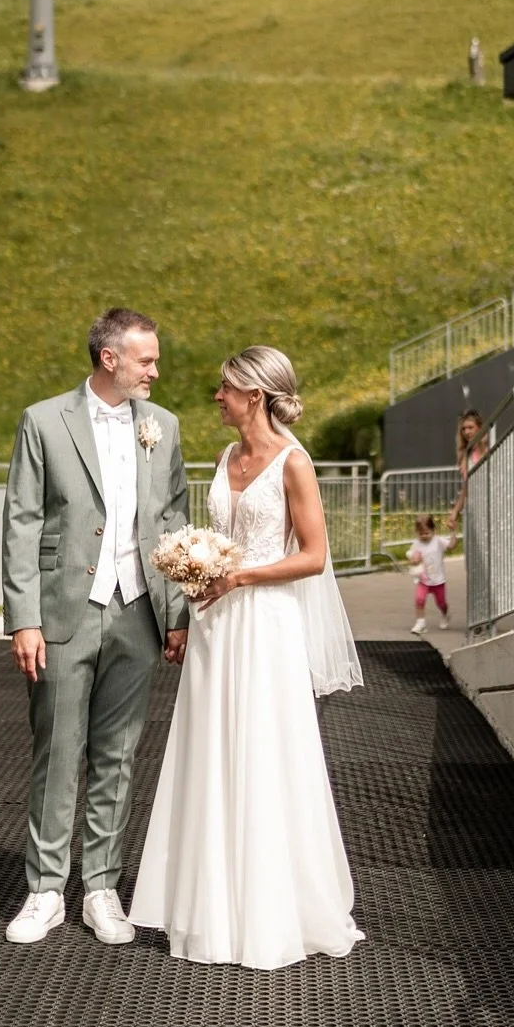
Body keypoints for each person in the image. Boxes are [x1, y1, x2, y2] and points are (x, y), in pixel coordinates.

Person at [129, 346, 364, 968]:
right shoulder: (226, 457)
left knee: (264, 753)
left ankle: (270, 915)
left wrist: (239, 577)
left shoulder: (295, 464)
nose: (217, 397)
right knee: (212, 753)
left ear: (254, 395)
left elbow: (313, 556)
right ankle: (212, 910)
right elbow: (219, 541)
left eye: (225, 388)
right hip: (216, 628)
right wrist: (197, 567)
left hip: (266, 626)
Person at [1, 307, 190, 947]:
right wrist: (23, 618)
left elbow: (172, 521)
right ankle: (44, 892)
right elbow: (22, 522)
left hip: (138, 611)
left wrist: (176, 614)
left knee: (118, 753)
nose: (156, 371)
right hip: (63, 609)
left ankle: (102, 888)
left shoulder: (163, 427)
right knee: (56, 750)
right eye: (147, 360)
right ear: (110, 358)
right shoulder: (42, 420)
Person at [408, 513, 457, 633]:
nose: (424, 536)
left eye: (427, 533)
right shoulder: (416, 543)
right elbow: (412, 557)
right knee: (419, 599)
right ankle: (421, 623)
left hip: (438, 580)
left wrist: (453, 532)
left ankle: (445, 614)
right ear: (417, 532)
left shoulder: (438, 541)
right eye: (421, 533)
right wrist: (414, 560)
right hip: (423, 580)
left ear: (433, 530)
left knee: (441, 603)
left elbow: (451, 546)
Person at [449, 408, 486, 527]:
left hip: (488, 501)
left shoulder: (487, 449)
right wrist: (455, 511)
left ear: (479, 428)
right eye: (464, 429)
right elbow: (466, 487)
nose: (466, 432)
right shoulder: (467, 454)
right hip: (473, 505)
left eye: (471, 427)